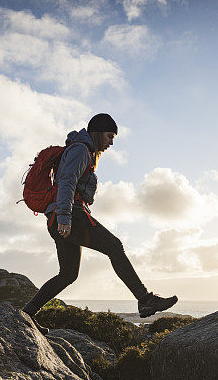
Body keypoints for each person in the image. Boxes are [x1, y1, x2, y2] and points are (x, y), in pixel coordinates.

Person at [22, 113, 178, 335]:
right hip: (70, 216)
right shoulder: (80, 150)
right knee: (114, 247)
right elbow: (67, 181)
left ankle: (26, 314)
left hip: (60, 215)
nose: (111, 142)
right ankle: (145, 300)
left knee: (68, 274)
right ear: (97, 132)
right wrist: (65, 218)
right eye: (109, 136)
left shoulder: (83, 150)